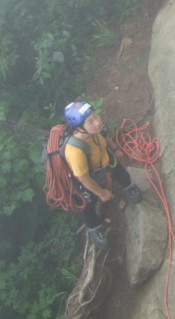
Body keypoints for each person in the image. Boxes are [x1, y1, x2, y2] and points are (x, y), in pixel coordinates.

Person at [62, 100, 144, 250]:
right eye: (91, 121)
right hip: (90, 177)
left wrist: (115, 148)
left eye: (96, 116)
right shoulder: (74, 151)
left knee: (122, 174)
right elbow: (84, 178)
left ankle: (129, 187)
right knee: (86, 205)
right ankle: (95, 227)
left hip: (105, 162)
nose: (98, 121)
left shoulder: (93, 130)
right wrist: (101, 193)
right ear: (79, 128)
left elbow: (104, 135)